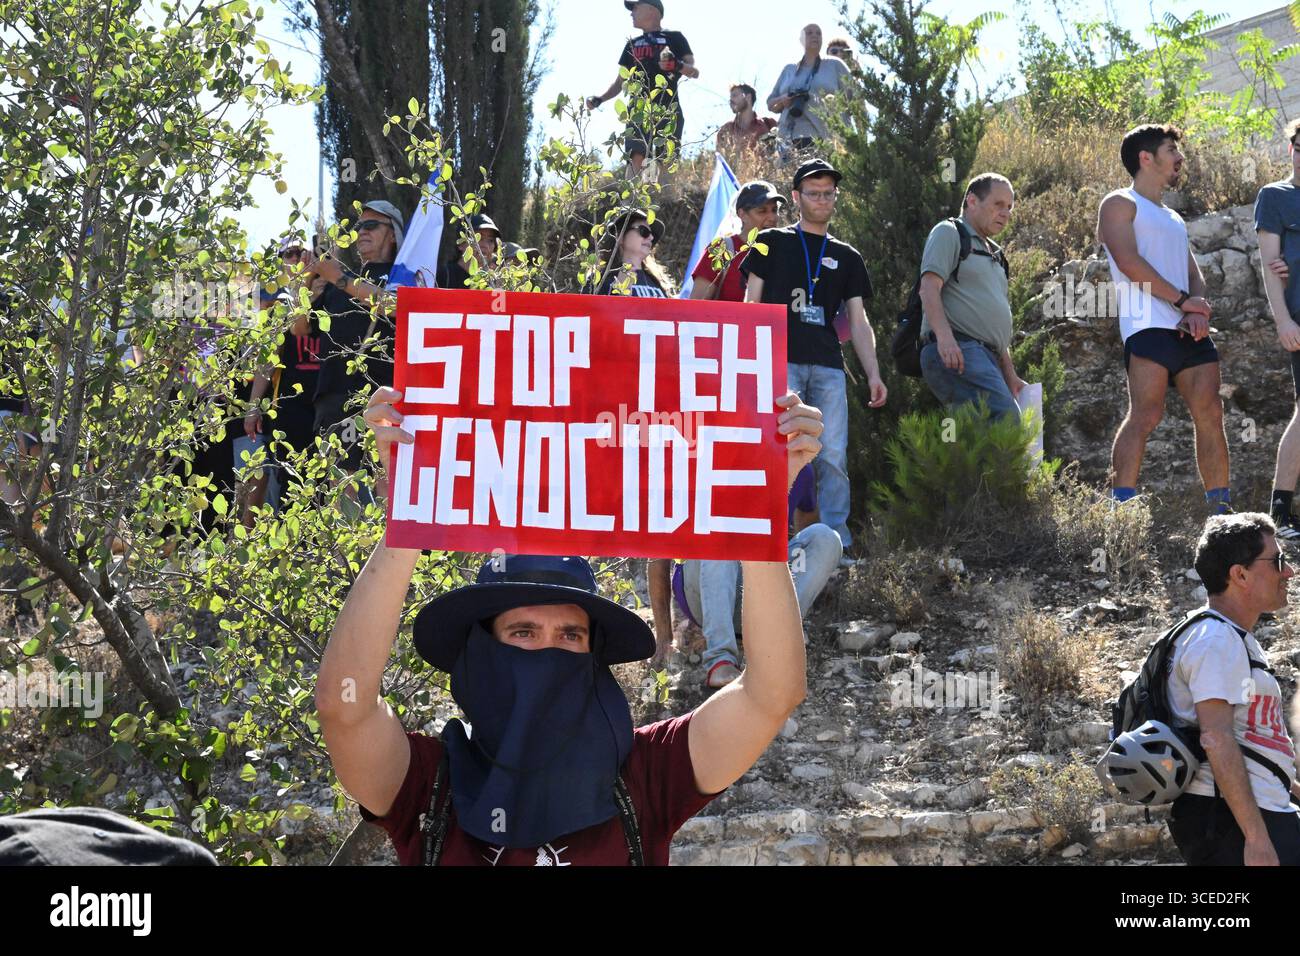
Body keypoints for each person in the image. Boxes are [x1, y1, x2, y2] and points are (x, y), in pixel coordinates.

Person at [315, 385, 824, 866]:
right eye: (523, 633)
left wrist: (759, 518)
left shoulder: (644, 776)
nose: (549, 651)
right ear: (482, 649)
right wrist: (407, 517)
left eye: (570, 636)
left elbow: (771, 693)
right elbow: (344, 707)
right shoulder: (432, 785)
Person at [743, 158, 887, 560]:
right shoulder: (770, 242)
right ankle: (772, 543)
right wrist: (750, 364)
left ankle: (836, 543)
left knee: (833, 452)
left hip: (827, 365)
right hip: (779, 364)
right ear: (796, 197)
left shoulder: (847, 256)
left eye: (828, 194)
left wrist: (873, 373)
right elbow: (749, 305)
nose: (822, 200)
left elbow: (859, 321)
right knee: (778, 451)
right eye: (813, 193)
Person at [1098, 124, 1229, 513]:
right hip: (1146, 325)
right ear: (1146, 157)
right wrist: (1183, 302)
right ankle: (1120, 511)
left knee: (1211, 412)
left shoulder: (1173, 217)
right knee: (1146, 414)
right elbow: (1128, 261)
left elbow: (1193, 274)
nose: (1180, 157)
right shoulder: (1119, 203)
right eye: (1172, 149)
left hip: (1187, 329)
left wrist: (1196, 306)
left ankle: (1221, 513)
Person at [1165, 513, 1300, 866]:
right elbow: (1217, 739)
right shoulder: (1215, 641)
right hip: (1233, 823)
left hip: (1263, 811)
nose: (1289, 572)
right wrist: (1256, 840)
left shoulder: (1236, 638)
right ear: (1239, 574)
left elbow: (1252, 742)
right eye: (1278, 561)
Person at [682, 464, 840, 689]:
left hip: (759, 597)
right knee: (720, 527)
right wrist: (664, 636)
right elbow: (658, 552)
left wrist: (801, 570)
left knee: (826, 537)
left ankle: (777, 640)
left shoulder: (797, 465)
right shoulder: (710, 453)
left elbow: (808, 517)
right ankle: (721, 660)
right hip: (705, 594)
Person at [301, 199, 402, 471]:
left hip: (380, 395)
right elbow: (301, 330)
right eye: (359, 226)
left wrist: (338, 277)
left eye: (372, 225)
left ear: (393, 234)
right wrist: (305, 283)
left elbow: (395, 306)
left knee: (384, 480)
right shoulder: (340, 278)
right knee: (339, 486)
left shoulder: (402, 275)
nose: (363, 232)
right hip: (332, 397)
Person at [918, 173, 1027, 419]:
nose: (1005, 213)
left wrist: (1009, 374)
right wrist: (944, 339)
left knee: (980, 441)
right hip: (960, 349)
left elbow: (992, 326)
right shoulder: (949, 232)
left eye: (1009, 207)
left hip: (985, 357)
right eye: (998, 204)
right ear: (972, 201)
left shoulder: (996, 253)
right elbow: (928, 288)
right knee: (1005, 421)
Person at [245, 235, 326, 512]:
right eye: (288, 255)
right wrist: (253, 406)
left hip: (327, 405)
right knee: (290, 484)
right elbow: (267, 362)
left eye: (300, 253)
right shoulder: (278, 307)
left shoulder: (336, 294)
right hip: (291, 408)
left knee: (328, 484)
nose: (295, 260)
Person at [587, 0, 697, 180]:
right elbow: (619, 82)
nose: (631, 13)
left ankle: (663, 202)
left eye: (636, 8)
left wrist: (675, 65)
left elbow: (694, 71)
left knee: (666, 159)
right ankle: (629, 206)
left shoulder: (675, 37)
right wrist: (600, 98)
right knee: (636, 155)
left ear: (653, 10)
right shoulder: (632, 44)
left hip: (668, 109)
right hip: (638, 110)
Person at [1253, 118, 1300, 538]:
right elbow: (1270, 266)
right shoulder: (1275, 196)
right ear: (1291, 149)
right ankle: (1281, 513)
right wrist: (1283, 317)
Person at [689, 181, 785, 303]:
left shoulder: (784, 251)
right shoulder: (722, 248)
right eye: (762, 211)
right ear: (742, 214)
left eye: (774, 210)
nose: (772, 218)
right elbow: (696, 306)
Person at [766, 24, 850, 150]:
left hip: (826, 138)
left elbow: (855, 100)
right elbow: (770, 104)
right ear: (801, 39)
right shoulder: (789, 70)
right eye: (809, 33)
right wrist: (783, 99)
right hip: (789, 139)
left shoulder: (835, 65)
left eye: (818, 33)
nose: (814, 35)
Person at [594, 208, 674, 297]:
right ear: (619, 236)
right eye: (644, 231)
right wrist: (620, 292)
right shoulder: (598, 280)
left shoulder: (659, 282)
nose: (651, 237)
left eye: (653, 235)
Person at [436, 214, 501, 290]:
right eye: (478, 238)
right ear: (461, 244)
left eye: (490, 240)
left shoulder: (493, 282)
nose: (485, 245)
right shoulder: (444, 276)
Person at [716, 84, 777, 159]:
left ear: (748, 97)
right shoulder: (726, 130)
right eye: (730, 97)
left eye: (735, 96)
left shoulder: (769, 124)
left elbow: (778, 156)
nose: (731, 100)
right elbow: (719, 161)